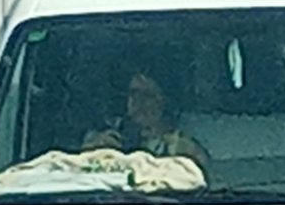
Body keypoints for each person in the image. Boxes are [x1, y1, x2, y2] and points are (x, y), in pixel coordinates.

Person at [82, 71, 211, 169]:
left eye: (147, 96)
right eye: (133, 93)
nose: (138, 102)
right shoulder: (107, 136)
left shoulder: (182, 147)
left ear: (164, 102)